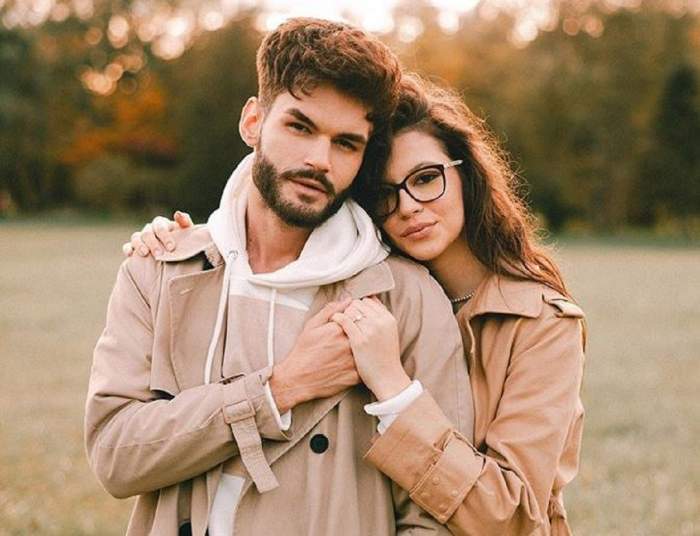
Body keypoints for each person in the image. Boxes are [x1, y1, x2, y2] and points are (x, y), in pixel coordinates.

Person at [130, 74, 586, 535]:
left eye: (426, 179)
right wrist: (193, 241)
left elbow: (512, 518)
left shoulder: (541, 322)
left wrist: (394, 387)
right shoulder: (376, 291)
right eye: (384, 194)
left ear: (466, 173)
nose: (408, 207)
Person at [86, 19, 474, 536]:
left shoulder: (406, 297)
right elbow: (114, 456)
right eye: (300, 127)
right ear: (253, 122)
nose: (319, 160)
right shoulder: (158, 269)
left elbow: (436, 513)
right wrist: (280, 388)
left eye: (346, 143)